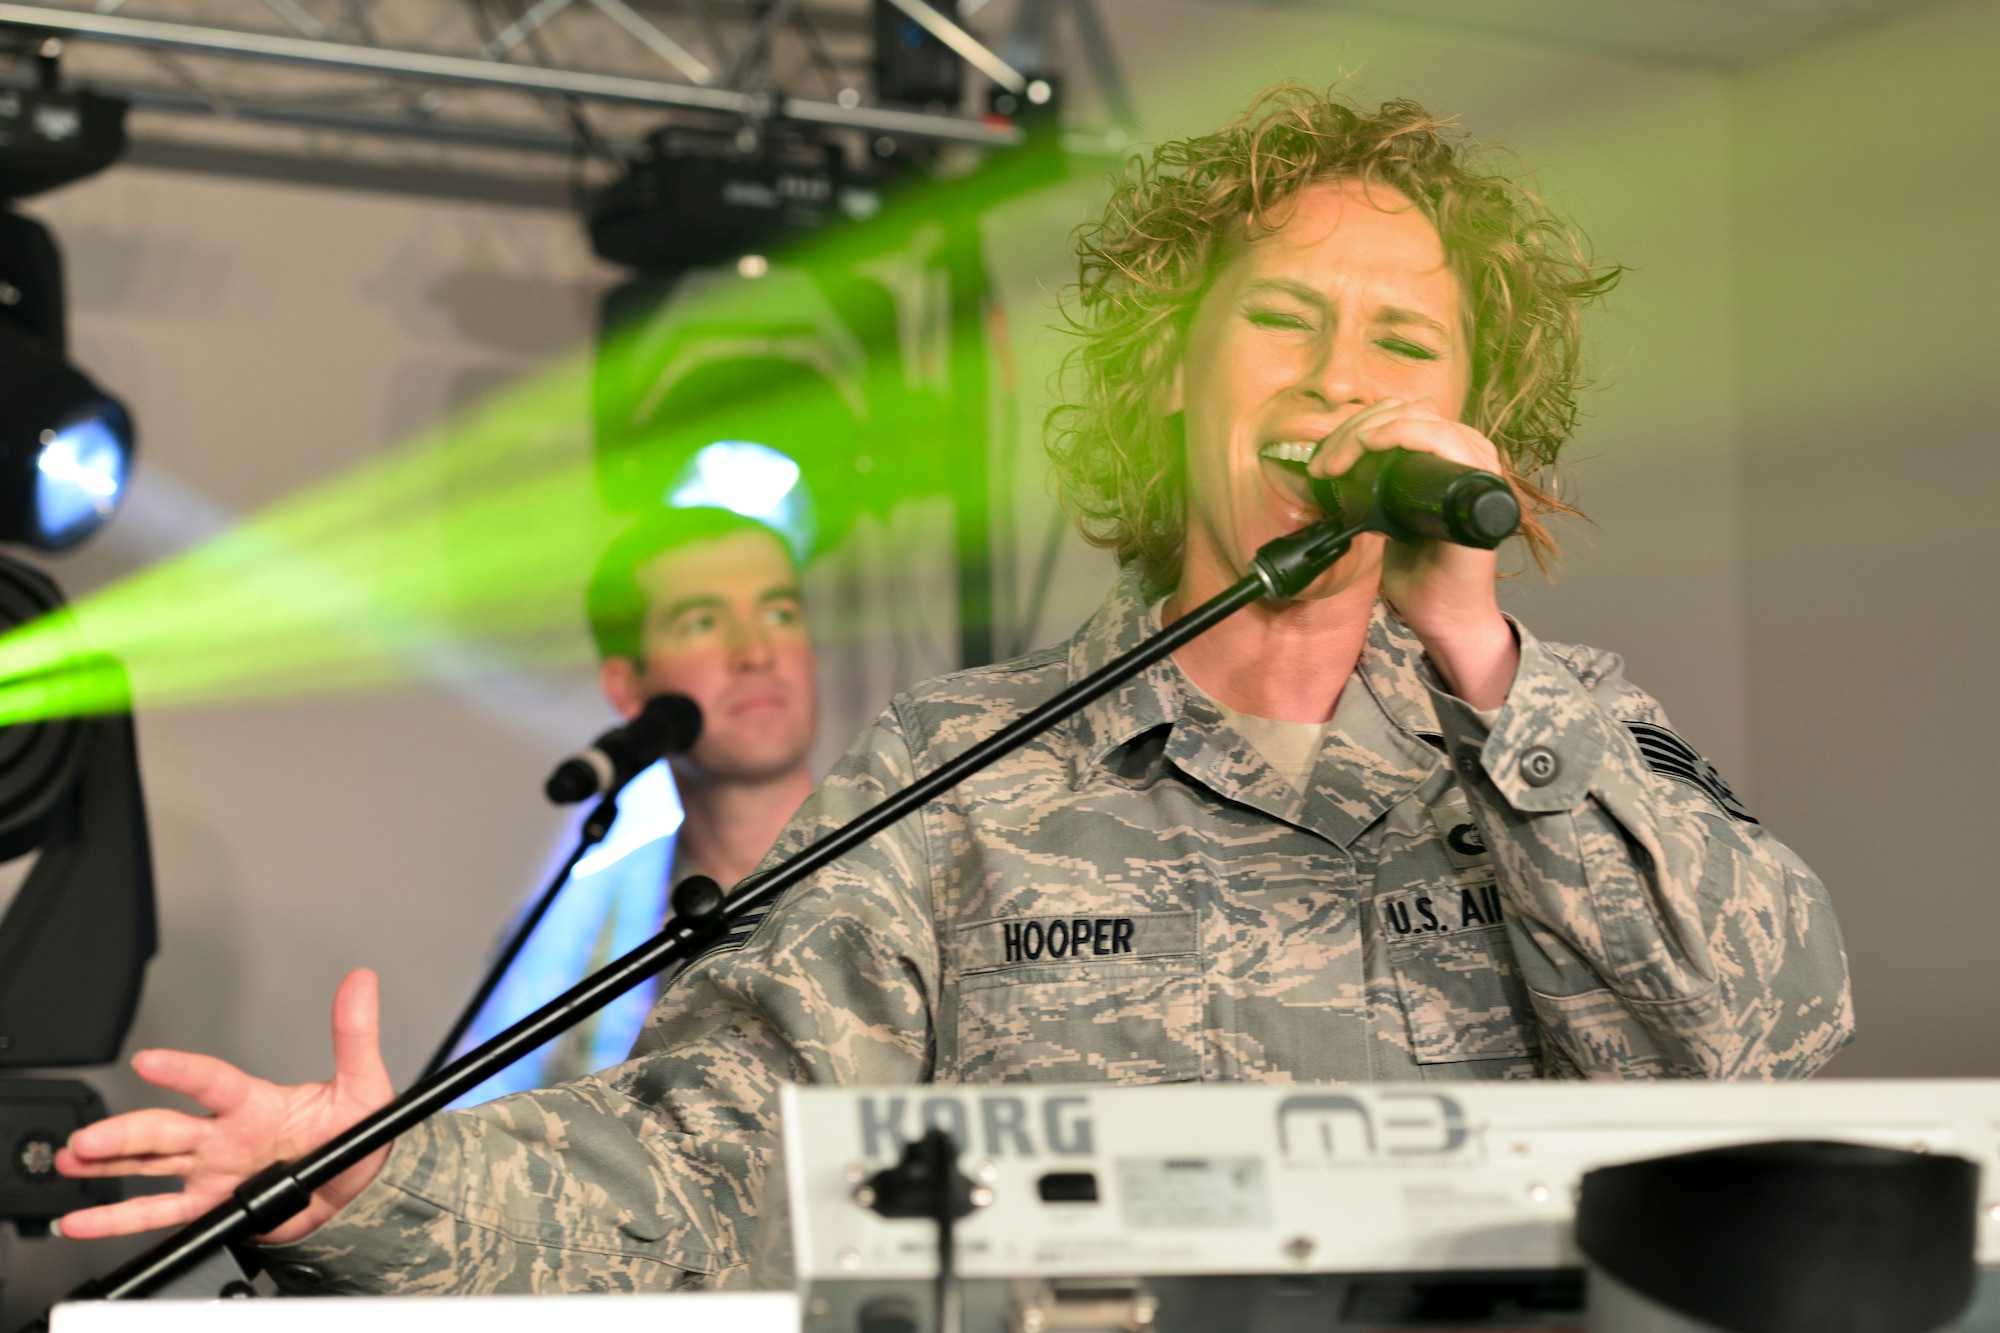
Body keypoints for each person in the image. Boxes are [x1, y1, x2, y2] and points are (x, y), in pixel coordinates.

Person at [54, 88, 1852, 1293]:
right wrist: (372, 1181)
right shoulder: (957, 770)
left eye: (1404, 343)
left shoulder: (1567, 748)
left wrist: (1483, 646)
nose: (1341, 381)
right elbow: (710, 1177)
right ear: (1172, 377)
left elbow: (1762, 1063)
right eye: (1286, 320)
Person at [443, 505, 821, 1103]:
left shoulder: (922, 868)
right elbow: (490, 1145)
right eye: (702, 623)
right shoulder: (574, 934)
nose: (756, 651)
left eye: (779, 613)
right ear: (629, 689)